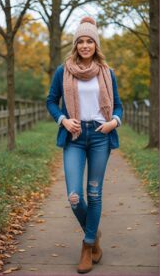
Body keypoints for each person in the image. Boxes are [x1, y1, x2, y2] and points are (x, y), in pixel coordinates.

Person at [46, 16, 123, 274]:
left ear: (96, 44)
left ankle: (88, 245)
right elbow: (51, 101)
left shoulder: (106, 72)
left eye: (90, 41)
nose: (85, 45)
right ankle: (94, 231)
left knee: (94, 193)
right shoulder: (63, 71)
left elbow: (119, 106)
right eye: (81, 41)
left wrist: (115, 122)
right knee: (74, 197)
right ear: (75, 44)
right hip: (75, 138)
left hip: (101, 135)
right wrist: (63, 120)